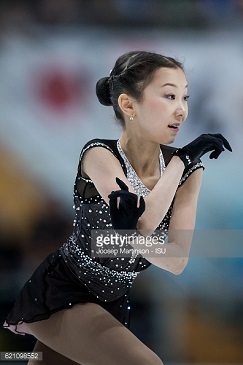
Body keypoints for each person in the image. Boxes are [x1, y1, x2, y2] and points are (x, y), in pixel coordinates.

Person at [3, 51, 232, 365]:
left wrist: (134, 235)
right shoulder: (99, 155)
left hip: (111, 301)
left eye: (185, 97)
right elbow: (145, 222)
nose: (181, 110)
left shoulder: (190, 172)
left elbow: (176, 260)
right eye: (169, 96)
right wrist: (180, 162)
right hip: (65, 293)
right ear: (128, 104)